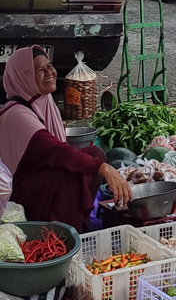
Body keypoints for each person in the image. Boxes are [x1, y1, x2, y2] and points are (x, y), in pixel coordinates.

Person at [0, 46, 132, 231]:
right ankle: (64, 232)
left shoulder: (43, 101)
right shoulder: (16, 113)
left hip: (39, 177)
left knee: (94, 153)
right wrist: (106, 170)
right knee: (79, 169)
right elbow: (55, 150)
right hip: (22, 196)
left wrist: (98, 164)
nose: (50, 72)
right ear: (24, 76)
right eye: (40, 70)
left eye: (49, 66)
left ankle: (76, 222)